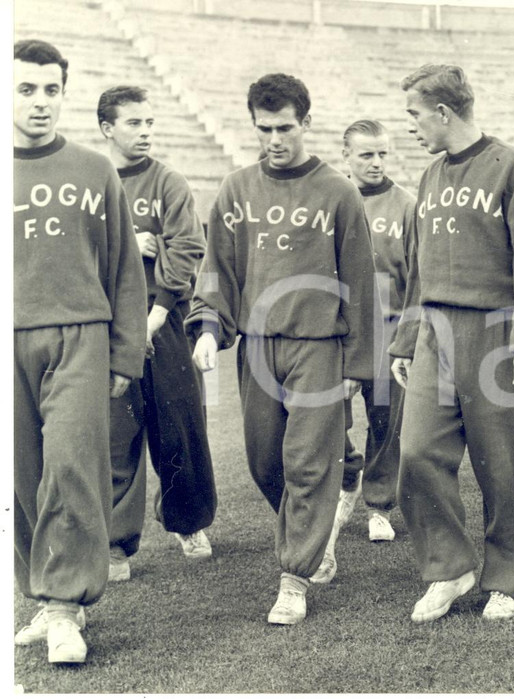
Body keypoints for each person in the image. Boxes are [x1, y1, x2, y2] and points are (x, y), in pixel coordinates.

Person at [186, 73, 376, 625]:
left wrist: (358, 364)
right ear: (253, 126)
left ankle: (293, 578)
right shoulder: (235, 188)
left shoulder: (338, 191)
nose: (275, 138)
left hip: (320, 346)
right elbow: (217, 270)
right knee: (265, 460)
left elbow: (361, 284)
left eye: (286, 127)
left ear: (306, 124)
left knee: (307, 463)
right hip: (258, 346)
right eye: (265, 128)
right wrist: (207, 329)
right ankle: (315, 535)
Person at [389, 64, 514, 622]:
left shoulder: (513, 164)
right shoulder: (430, 175)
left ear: (442, 112)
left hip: (499, 332)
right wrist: (406, 339)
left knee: (508, 465)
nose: (411, 126)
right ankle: (450, 567)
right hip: (436, 331)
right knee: (416, 452)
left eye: (414, 114)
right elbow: (419, 266)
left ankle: (508, 577)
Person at [13, 39, 147, 664]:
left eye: (50, 90)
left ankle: (67, 607)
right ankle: (43, 598)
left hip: (81, 336)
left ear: (64, 95)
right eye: (25, 89)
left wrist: (126, 354)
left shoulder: (94, 170)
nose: (40, 102)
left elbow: (125, 269)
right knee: (23, 478)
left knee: (71, 466)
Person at [97, 85, 216, 582]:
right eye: (133, 124)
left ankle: (187, 523)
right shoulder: (95, 180)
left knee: (179, 423)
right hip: (109, 321)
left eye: (150, 122)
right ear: (107, 128)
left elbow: (189, 246)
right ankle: (117, 543)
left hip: (164, 320)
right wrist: (129, 239)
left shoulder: (168, 180)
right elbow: (84, 250)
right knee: (116, 432)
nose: (145, 132)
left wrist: (162, 307)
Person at [311, 119, 414, 583]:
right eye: (366, 155)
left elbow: (416, 275)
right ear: (346, 154)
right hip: (341, 329)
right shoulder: (329, 196)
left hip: (390, 328)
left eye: (383, 155)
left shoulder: (406, 206)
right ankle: (347, 475)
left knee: (387, 421)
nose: (376, 163)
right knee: (330, 418)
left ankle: (379, 505)